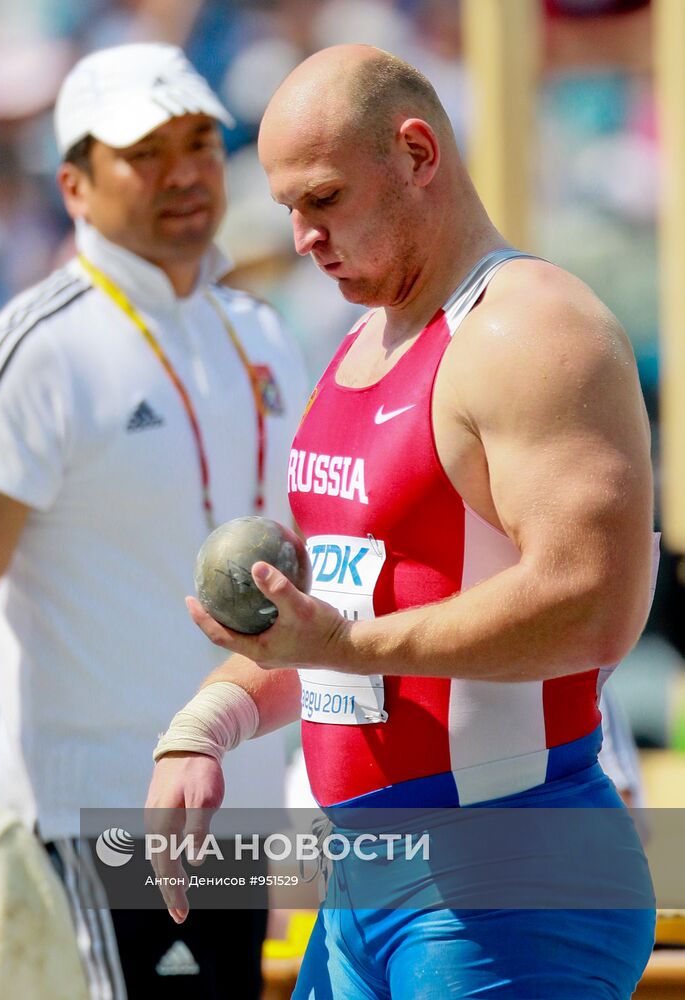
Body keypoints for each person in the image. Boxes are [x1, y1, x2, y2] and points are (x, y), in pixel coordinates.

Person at [147, 45, 659, 998]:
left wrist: (344, 646)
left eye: (323, 198)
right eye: (288, 207)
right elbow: (332, 622)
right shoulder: (363, 342)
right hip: (366, 880)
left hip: (508, 877)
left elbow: (593, 607)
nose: (302, 237)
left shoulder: (529, 327)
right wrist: (204, 724)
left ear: (418, 154)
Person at [0, 42, 308, 1000]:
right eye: (144, 153)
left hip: (242, 813)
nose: (183, 172)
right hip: (93, 823)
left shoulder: (262, 331)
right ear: (75, 187)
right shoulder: (30, 352)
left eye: (199, 143)